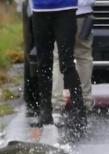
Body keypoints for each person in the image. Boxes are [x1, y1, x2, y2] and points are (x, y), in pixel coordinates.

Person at [30, 0, 87, 140]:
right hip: (40, 10)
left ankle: (78, 111)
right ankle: (45, 111)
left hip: (65, 9)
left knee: (66, 63)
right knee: (43, 63)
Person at [51, 0, 95, 114]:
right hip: (83, 14)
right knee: (84, 57)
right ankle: (85, 101)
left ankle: (57, 103)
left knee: (59, 58)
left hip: (60, 13)